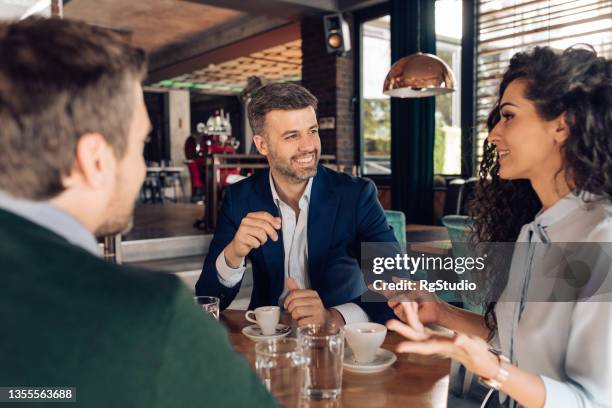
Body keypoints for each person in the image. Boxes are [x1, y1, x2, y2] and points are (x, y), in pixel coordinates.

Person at [0, 18, 275, 408]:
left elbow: (388, 277)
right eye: (140, 145)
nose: (142, 167)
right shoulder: (147, 315)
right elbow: (210, 294)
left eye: (313, 131)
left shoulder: (357, 195)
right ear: (95, 160)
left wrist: (374, 300)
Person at [384, 46, 612, 407]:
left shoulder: (601, 239)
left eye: (509, 116)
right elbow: (511, 337)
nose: (493, 135)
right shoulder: (534, 232)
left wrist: (494, 370)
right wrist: (441, 311)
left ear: (561, 125)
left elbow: (594, 402)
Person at [196, 82, 397, 326]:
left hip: (340, 338)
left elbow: (397, 285)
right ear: (262, 145)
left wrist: (334, 316)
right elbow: (207, 298)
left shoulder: (356, 195)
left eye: (312, 131)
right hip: (265, 337)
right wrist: (233, 252)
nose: (308, 146)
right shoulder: (240, 198)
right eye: (292, 136)